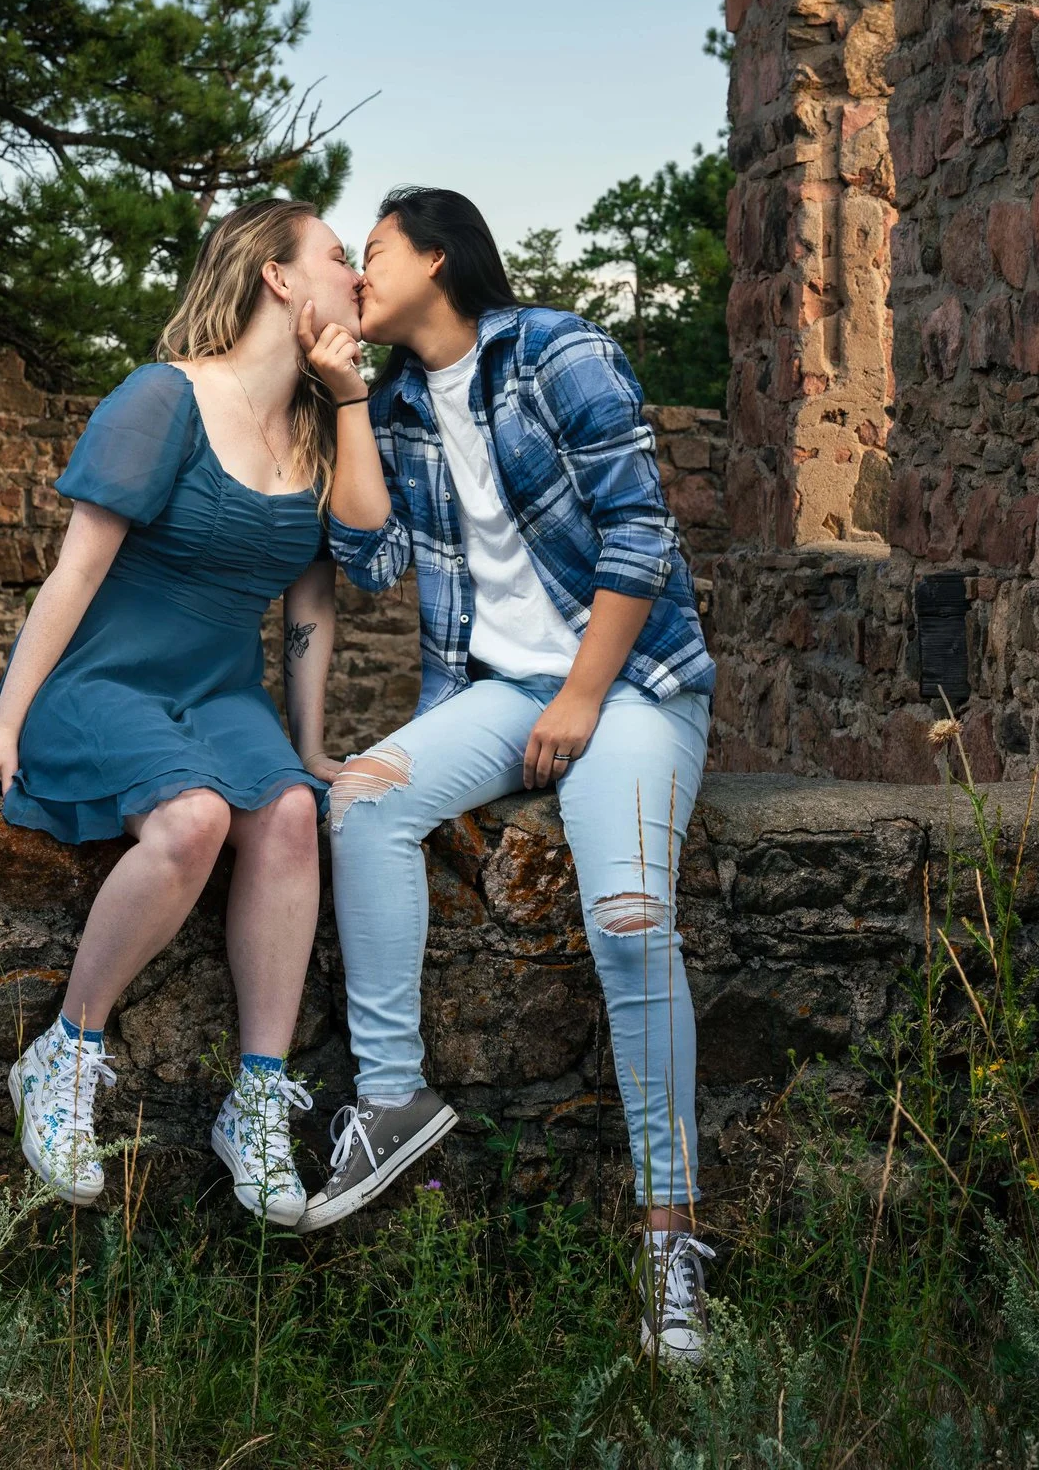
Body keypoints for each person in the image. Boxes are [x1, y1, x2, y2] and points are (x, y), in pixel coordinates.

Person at [291, 187, 719, 1362]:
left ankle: (671, 1240)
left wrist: (582, 699)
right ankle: (391, 1101)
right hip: (489, 692)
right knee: (362, 799)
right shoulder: (390, 406)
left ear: (437, 256)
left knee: (630, 917)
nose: (357, 274)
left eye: (370, 252)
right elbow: (371, 559)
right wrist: (339, 402)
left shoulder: (559, 351)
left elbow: (639, 533)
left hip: (627, 682)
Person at [0, 200, 359, 1226]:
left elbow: (310, 609)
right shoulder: (162, 400)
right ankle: (66, 1053)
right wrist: (2, 722)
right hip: (102, 685)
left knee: (290, 815)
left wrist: (310, 745)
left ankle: (253, 1101)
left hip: (218, 695)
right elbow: (72, 575)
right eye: (337, 257)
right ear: (278, 278)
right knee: (195, 818)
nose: (355, 277)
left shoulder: (322, 432)